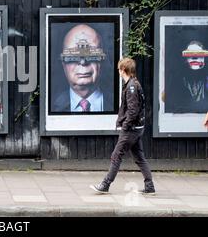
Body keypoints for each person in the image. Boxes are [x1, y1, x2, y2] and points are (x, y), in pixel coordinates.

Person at [90, 58, 155, 195]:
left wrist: (125, 125)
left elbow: (133, 110)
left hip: (131, 129)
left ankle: (105, 184)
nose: (118, 72)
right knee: (139, 157)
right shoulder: (133, 83)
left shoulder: (131, 86)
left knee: (116, 155)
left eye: (119, 69)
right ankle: (149, 186)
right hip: (137, 128)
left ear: (124, 70)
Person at [53, 24, 113, 112]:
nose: (83, 62)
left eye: (91, 55)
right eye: (73, 56)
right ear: (63, 63)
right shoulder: (51, 105)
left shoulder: (118, 102)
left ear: (102, 60)